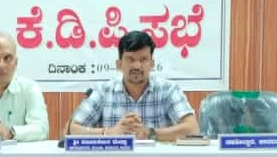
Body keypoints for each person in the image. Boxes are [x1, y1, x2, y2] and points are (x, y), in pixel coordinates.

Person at [67, 30, 199, 142]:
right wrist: (109, 133)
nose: (137, 66)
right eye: (130, 59)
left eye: (143, 59)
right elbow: (70, 130)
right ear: (119, 64)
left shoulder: (168, 89)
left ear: (152, 64)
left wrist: (150, 133)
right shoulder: (103, 91)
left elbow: (193, 129)